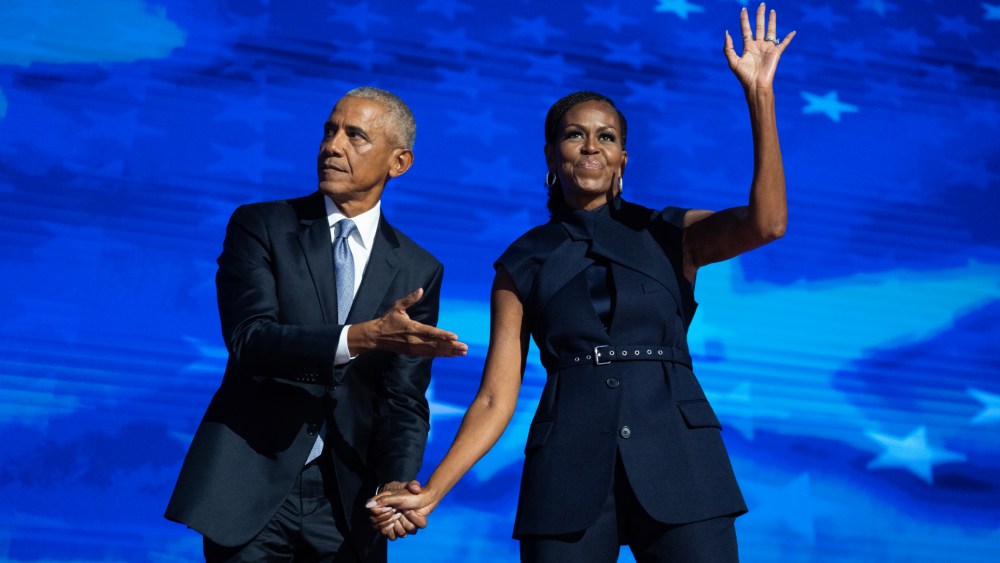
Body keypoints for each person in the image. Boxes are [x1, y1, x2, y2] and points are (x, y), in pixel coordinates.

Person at [367, 5, 795, 561]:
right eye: (575, 135)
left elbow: (768, 224)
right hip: (565, 474)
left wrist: (760, 94)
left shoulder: (669, 233)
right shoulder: (522, 261)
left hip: (682, 461)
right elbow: (495, 397)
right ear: (552, 154)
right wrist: (432, 491)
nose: (592, 146)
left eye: (606, 137)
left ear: (622, 159)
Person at [165, 86, 468, 562]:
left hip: (348, 503)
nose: (332, 146)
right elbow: (250, 340)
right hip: (252, 488)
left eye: (355, 136)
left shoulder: (418, 269)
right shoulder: (262, 225)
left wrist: (395, 481)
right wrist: (361, 337)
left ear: (399, 162)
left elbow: (404, 399)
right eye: (330, 131)